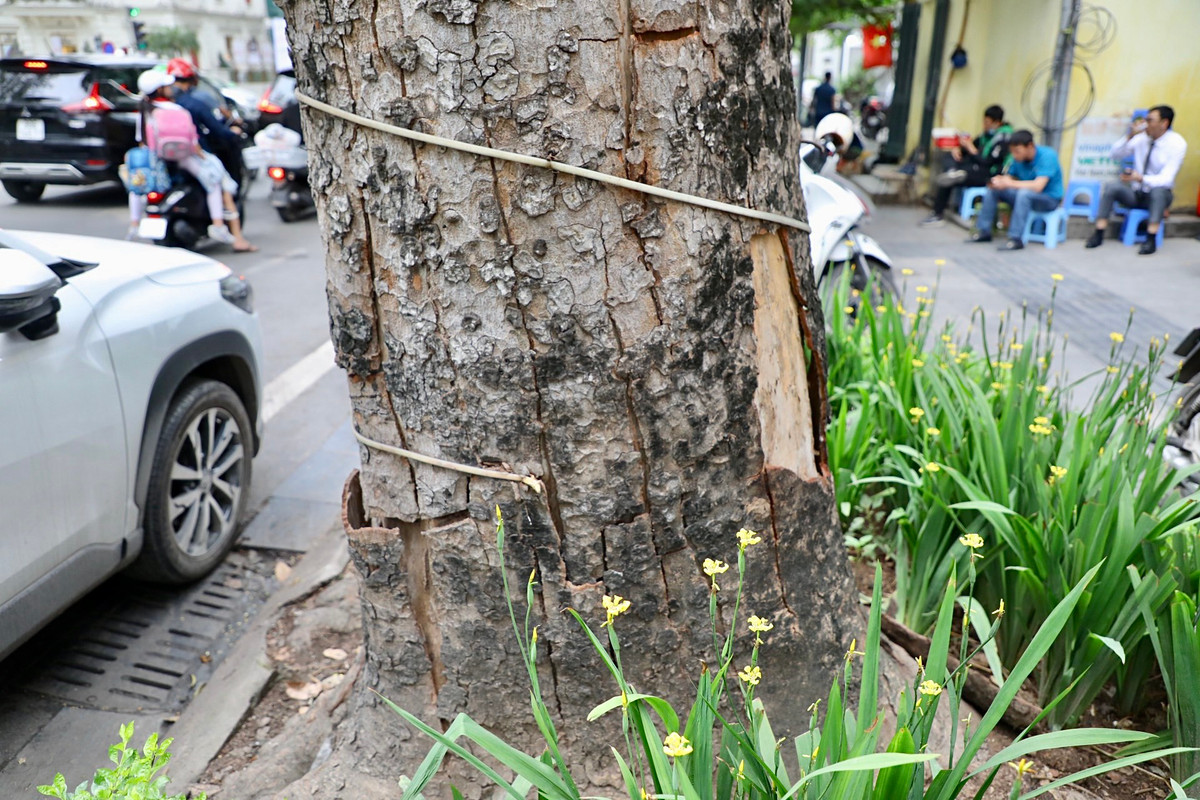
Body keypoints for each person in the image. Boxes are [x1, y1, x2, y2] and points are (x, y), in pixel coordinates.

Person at [132, 70, 257, 252]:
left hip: (156, 162)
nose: (171, 88)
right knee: (215, 181)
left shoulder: (144, 111)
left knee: (137, 187)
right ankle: (219, 225)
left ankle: (134, 224)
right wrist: (204, 157)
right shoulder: (176, 109)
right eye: (167, 86)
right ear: (160, 89)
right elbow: (192, 141)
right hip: (184, 159)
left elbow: (142, 141)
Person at [1085, 105, 1186, 255]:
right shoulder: (1141, 138)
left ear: (1164, 123)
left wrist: (1141, 178)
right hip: (1136, 193)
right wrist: (1129, 136)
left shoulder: (1177, 144)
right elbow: (1114, 154)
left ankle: (1150, 239)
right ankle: (1099, 233)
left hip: (1159, 196)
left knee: (1158, 192)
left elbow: (1166, 179)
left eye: (1150, 120)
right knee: (1112, 187)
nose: (1145, 123)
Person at [967, 129, 1062, 251]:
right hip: (1024, 197)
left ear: (1030, 146)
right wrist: (1001, 181)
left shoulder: (1048, 156)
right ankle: (984, 231)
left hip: (1048, 199)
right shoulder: (1017, 160)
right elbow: (1010, 176)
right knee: (994, 189)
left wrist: (1010, 183)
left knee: (1024, 194)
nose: (1014, 155)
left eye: (1017, 151)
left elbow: (1038, 186)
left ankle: (1015, 239)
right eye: (1012, 152)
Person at [920, 104, 1013, 227]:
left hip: (989, 174)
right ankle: (953, 171)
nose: (985, 125)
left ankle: (938, 214)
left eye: (987, 122)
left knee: (948, 180)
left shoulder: (1004, 139)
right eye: (984, 122)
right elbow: (971, 148)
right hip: (975, 167)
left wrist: (971, 149)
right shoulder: (986, 136)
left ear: (997, 122)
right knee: (949, 157)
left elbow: (987, 161)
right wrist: (959, 149)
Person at [165, 58, 246, 198]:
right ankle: (224, 218)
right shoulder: (193, 103)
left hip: (167, 157)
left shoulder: (153, 107)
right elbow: (217, 129)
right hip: (195, 153)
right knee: (221, 184)